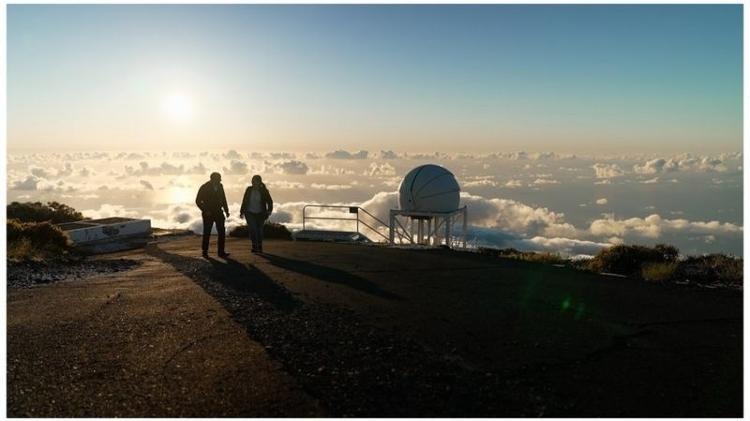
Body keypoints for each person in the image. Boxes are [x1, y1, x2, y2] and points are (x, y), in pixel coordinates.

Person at [195, 172, 230, 258]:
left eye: (219, 180)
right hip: (208, 214)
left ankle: (221, 252)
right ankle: (205, 251)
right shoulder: (204, 187)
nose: (219, 181)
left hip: (219, 212)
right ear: (212, 179)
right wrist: (205, 210)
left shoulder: (220, 186)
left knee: (221, 232)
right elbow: (198, 200)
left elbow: (224, 199)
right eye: (218, 179)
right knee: (207, 232)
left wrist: (226, 211)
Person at [240, 175, 273, 253]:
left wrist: (269, 210)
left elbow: (270, 201)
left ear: (259, 182)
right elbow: (244, 201)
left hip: (261, 213)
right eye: (253, 181)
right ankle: (254, 246)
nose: (253, 183)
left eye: (255, 181)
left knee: (259, 230)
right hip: (249, 212)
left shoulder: (264, 191)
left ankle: (260, 245)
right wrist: (241, 212)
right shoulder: (249, 189)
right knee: (253, 229)